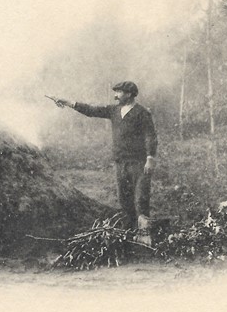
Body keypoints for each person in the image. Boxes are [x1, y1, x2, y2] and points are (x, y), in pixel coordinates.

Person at [53, 81, 158, 233]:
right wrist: (68, 102)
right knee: (124, 200)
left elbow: (150, 136)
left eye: (119, 92)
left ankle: (145, 234)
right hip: (120, 162)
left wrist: (150, 158)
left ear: (129, 94)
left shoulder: (142, 113)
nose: (115, 96)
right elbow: (90, 110)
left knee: (140, 198)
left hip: (139, 163)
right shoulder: (114, 110)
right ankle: (129, 233)